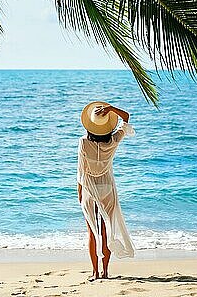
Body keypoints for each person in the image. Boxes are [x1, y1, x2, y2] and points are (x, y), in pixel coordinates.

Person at [77, 101, 135, 281]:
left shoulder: (84, 142)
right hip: (107, 188)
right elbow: (126, 118)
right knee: (106, 229)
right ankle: (106, 271)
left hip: (89, 188)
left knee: (92, 232)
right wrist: (111, 109)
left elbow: (81, 170)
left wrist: (79, 192)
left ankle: (95, 272)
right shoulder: (114, 140)